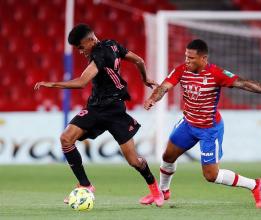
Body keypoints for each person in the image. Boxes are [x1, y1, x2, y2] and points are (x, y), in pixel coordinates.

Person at [140, 39, 261, 208]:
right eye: (186, 56)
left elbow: (243, 83)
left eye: (191, 58)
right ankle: (163, 191)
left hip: (209, 129)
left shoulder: (216, 73)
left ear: (203, 59)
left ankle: (255, 185)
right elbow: (164, 87)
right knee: (167, 156)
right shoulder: (181, 70)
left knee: (211, 176)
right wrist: (152, 99)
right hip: (188, 123)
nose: (187, 61)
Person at [34, 23, 164, 207]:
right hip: (97, 107)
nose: (80, 52)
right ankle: (85, 184)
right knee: (66, 139)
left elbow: (81, 82)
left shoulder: (99, 54)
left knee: (134, 160)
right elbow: (139, 60)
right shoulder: (113, 45)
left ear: (90, 40)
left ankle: (155, 191)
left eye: (80, 47)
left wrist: (52, 84)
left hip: (114, 111)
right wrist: (144, 79)